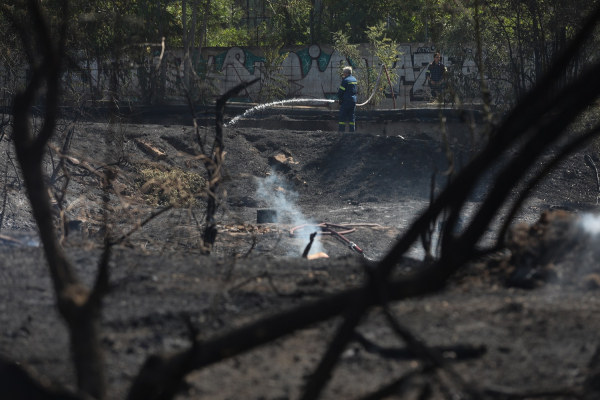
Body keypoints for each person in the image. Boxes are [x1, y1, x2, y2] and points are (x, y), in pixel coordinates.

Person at [337, 66, 358, 132]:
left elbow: (341, 91)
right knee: (351, 116)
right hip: (353, 101)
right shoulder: (354, 80)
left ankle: (341, 132)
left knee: (342, 116)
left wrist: (339, 98)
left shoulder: (345, 81)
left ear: (346, 73)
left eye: (344, 73)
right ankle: (352, 132)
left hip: (346, 101)